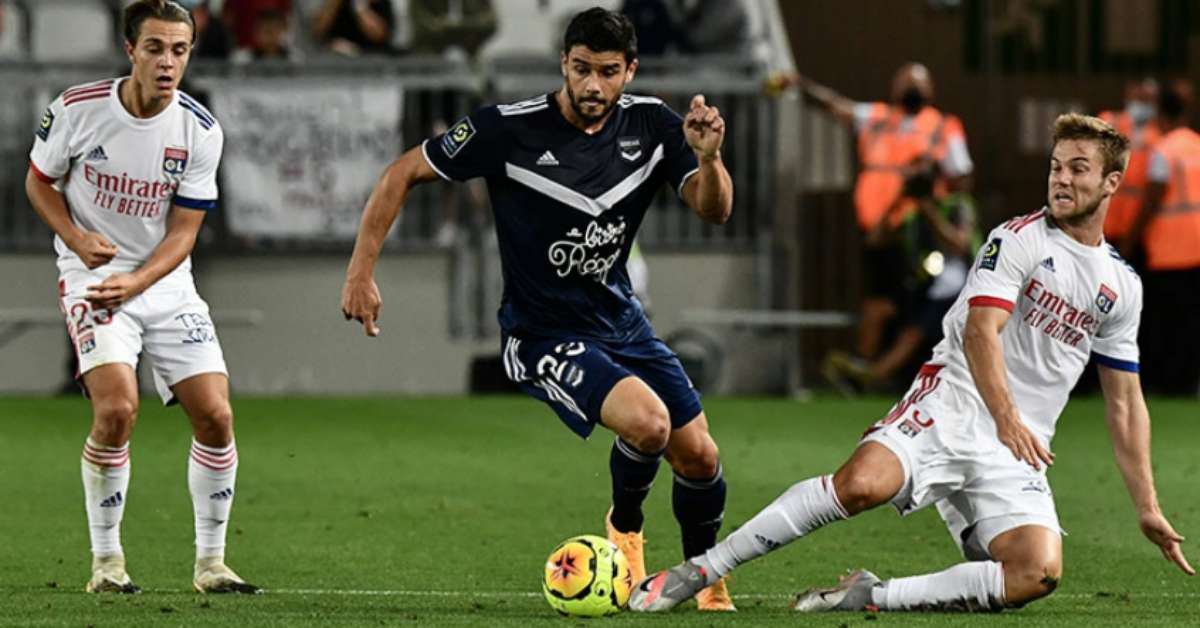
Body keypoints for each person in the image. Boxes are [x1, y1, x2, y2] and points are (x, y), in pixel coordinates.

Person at [630, 113, 1194, 613]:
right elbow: (979, 333)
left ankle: (871, 595)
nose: (1062, 179)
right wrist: (1005, 418)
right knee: (858, 487)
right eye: (1055, 167)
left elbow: (1125, 402)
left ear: (1112, 182)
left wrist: (1146, 506)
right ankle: (699, 570)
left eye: (1078, 169)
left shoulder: (1121, 286)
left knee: (1035, 574)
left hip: (1017, 446)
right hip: (956, 403)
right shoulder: (1017, 240)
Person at [340, 7, 737, 611]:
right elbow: (402, 172)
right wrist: (361, 270)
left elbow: (715, 211)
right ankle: (625, 532)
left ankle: (703, 576)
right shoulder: (507, 128)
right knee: (649, 424)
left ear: (630, 70)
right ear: (564, 64)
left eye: (607, 72)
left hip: (621, 322)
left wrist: (708, 159)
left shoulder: (654, 125)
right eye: (581, 70)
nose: (592, 86)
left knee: (702, 456)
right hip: (541, 332)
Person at [25, 0, 257, 595]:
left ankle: (211, 565)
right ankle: (107, 564)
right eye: (155, 48)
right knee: (116, 410)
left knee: (216, 415)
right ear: (130, 51)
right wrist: (76, 238)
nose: (168, 62)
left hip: (164, 280)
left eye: (180, 50)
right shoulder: (77, 110)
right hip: (94, 278)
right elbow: (39, 181)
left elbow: (184, 233)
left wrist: (142, 281)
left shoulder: (200, 130)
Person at [797, 64, 974, 368]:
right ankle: (869, 366)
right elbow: (836, 106)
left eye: (917, 84)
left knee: (915, 299)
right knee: (880, 298)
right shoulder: (878, 118)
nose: (911, 88)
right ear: (893, 89)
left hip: (920, 229)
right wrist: (800, 84)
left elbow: (961, 177)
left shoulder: (943, 126)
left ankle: (891, 366)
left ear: (931, 91)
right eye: (906, 82)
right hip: (878, 227)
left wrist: (928, 188)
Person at [824, 161, 980, 394]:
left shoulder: (957, 205)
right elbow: (875, 239)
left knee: (913, 333)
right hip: (922, 283)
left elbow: (960, 244)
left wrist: (930, 212)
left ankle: (872, 376)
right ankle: (860, 366)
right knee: (877, 309)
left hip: (956, 286)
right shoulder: (910, 211)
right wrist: (898, 200)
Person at [1125, 79, 1200, 396]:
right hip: (1197, 248)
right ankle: (1189, 379)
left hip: (1168, 251)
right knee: (1191, 319)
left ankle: (1167, 380)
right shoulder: (1196, 144)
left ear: (1161, 114)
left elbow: (1150, 203)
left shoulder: (1163, 151)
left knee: (1165, 320)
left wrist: (1129, 241)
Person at [1099, 78, 1160, 258]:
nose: (1143, 104)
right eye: (1139, 97)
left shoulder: (1158, 133)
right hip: (1107, 224)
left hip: (1141, 229)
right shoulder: (1110, 122)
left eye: (1148, 100)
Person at [311, 0, 393, 56]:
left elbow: (380, 35)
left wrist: (360, 8)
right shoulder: (335, 4)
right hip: (337, 60)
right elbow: (318, 32)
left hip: (372, 58)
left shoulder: (378, 3)